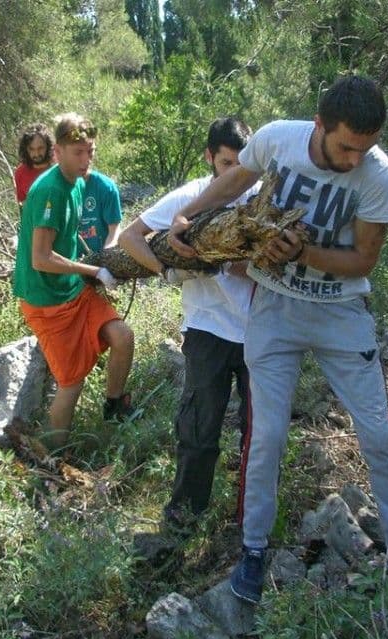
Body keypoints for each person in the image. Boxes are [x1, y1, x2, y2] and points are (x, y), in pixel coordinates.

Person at [169, 76, 388, 603]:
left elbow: (363, 260)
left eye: (365, 148)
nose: (355, 159)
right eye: (346, 146)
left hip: (341, 312)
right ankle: (253, 552)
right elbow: (235, 182)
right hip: (276, 309)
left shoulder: (379, 176)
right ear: (320, 125)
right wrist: (187, 217)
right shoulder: (278, 139)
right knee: (267, 435)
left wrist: (300, 253)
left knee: (377, 431)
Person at [119, 118, 259, 543]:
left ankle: (252, 526)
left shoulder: (262, 194)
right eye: (226, 163)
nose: (234, 171)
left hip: (263, 331)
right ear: (209, 158)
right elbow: (130, 238)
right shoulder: (192, 196)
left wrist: (243, 264)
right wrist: (169, 270)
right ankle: (182, 523)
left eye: (242, 163)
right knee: (199, 430)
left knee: (261, 433)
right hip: (209, 328)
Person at [13, 113, 135, 448]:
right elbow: (41, 258)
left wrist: (99, 263)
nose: (86, 160)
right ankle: (54, 458)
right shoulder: (49, 192)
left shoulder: (78, 183)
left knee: (122, 336)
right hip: (45, 299)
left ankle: (113, 407)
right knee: (71, 383)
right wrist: (93, 271)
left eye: (90, 151)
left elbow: (70, 238)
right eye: (77, 152)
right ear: (58, 154)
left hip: (73, 289)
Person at [78, 170, 122, 253]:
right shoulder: (55, 188)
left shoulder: (106, 187)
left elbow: (114, 231)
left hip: (99, 255)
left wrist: (106, 255)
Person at [14, 123, 54, 208]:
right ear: (25, 149)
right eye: (31, 149)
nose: (36, 154)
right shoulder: (20, 173)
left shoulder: (59, 169)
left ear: (48, 146)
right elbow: (21, 206)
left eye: (40, 148)